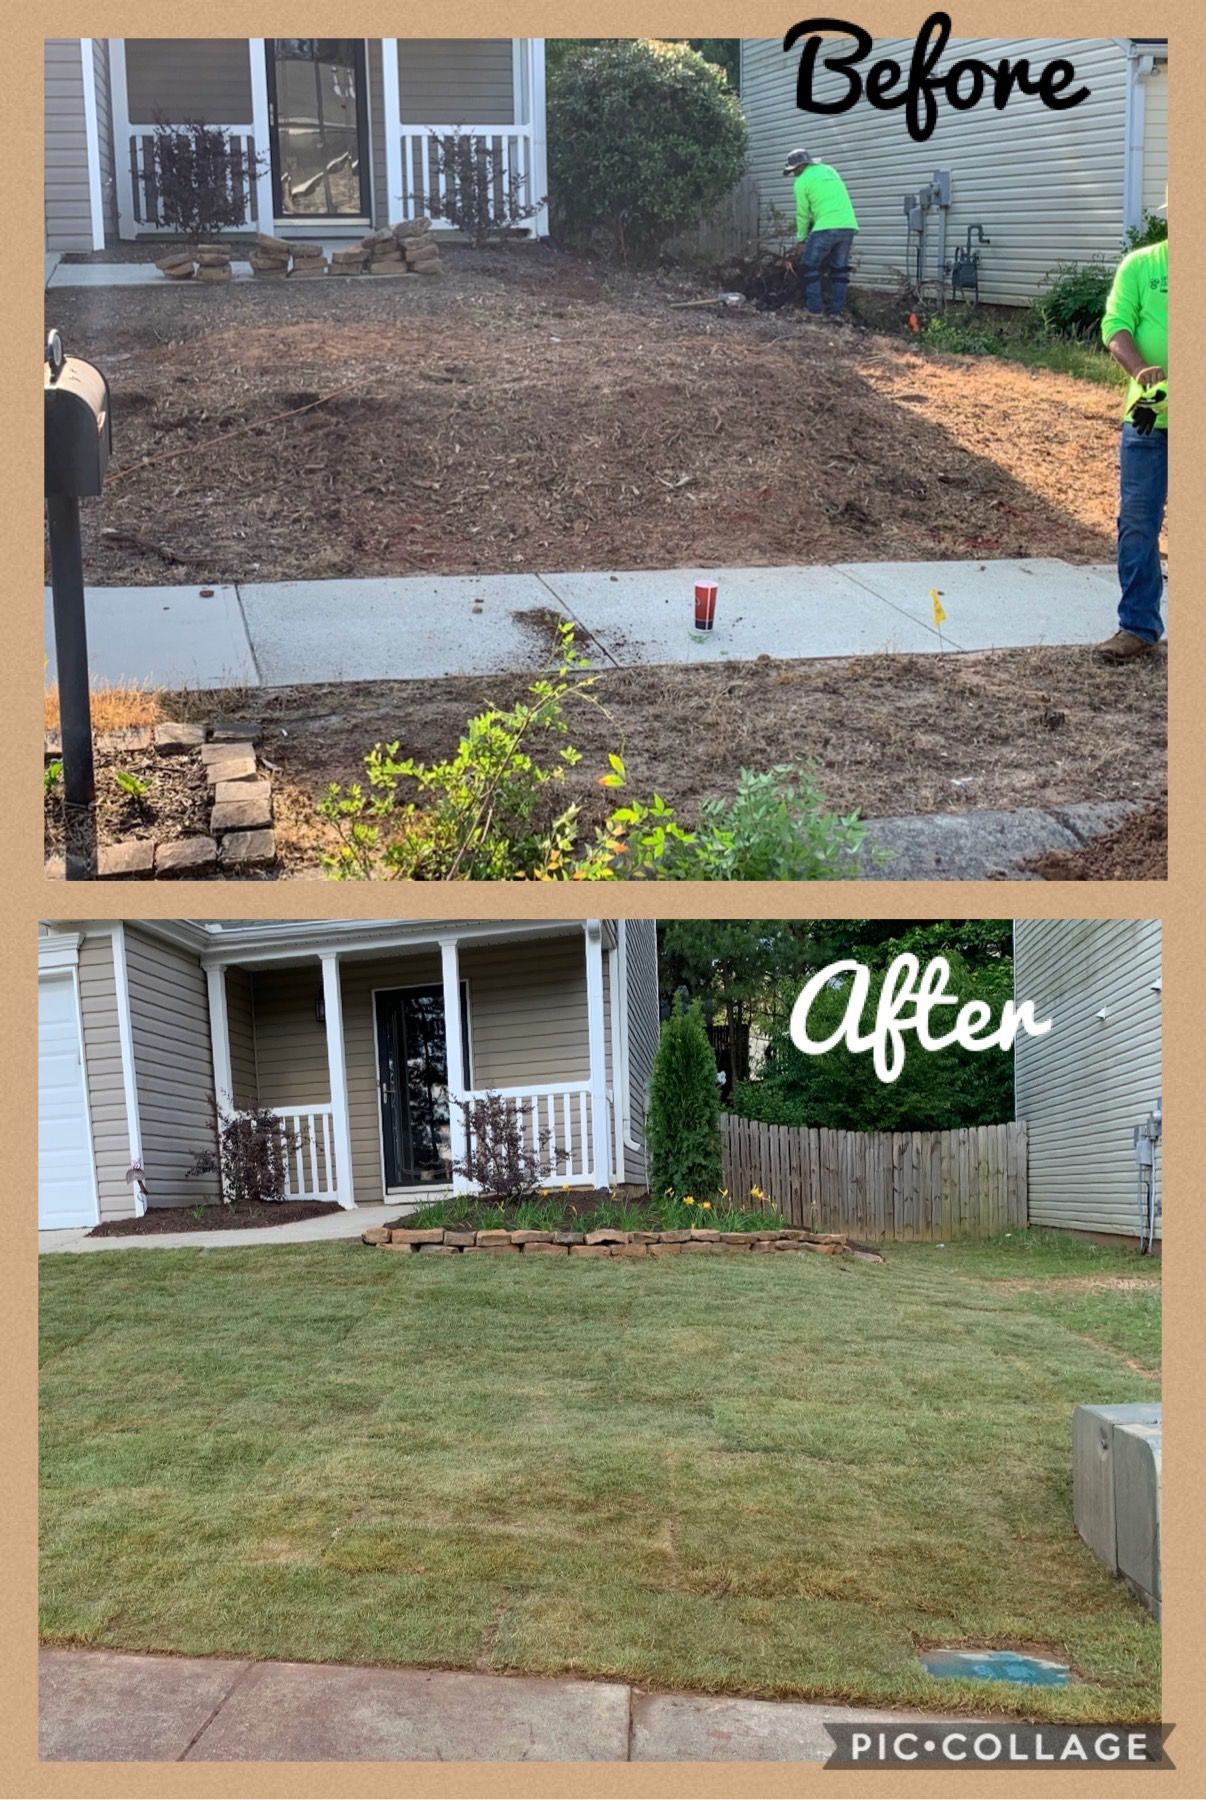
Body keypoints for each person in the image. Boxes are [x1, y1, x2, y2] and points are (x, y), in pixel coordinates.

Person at [1096, 193, 1168, 662]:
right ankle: (1138, 627)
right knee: (1138, 524)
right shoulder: (1141, 266)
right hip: (1149, 419)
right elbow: (1115, 326)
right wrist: (1140, 369)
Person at [784, 148, 859, 318]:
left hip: (826, 226)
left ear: (800, 166)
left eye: (794, 169)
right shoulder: (830, 170)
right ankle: (836, 312)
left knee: (809, 267)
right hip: (848, 225)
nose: (794, 173)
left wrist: (801, 238)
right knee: (839, 271)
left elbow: (802, 214)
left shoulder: (801, 181)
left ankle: (815, 311)